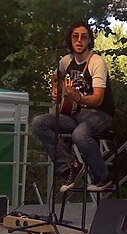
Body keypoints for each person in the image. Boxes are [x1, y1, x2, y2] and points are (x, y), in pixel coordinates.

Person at [32, 21, 115, 192]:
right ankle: (70, 167)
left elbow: (98, 99)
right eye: (75, 37)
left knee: (80, 134)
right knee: (39, 122)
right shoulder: (66, 60)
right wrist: (56, 90)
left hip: (100, 114)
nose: (79, 40)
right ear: (70, 40)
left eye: (84, 37)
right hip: (75, 115)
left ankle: (103, 177)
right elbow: (56, 77)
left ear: (89, 40)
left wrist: (79, 97)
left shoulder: (96, 61)